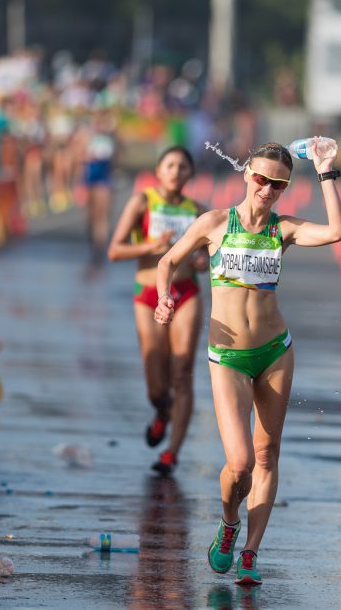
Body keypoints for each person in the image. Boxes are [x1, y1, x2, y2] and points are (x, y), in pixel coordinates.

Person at [155, 140, 341, 585]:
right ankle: (228, 524)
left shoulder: (285, 228)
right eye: (260, 178)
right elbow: (168, 261)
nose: (267, 189)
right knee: (238, 464)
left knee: (267, 454)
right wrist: (165, 297)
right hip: (228, 357)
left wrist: (325, 171)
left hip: (275, 351)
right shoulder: (215, 223)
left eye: (278, 184)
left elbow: (337, 231)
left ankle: (250, 552)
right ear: (246, 174)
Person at [108, 147, 205, 475]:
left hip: (185, 292)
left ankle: (172, 453)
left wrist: (203, 261)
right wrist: (151, 246)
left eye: (183, 166)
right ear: (159, 171)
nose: (176, 171)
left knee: (183, 371)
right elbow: (115, 250)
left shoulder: (199, 212)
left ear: (191, 174)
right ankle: (163, 412)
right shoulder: (142, 202)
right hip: (148, 292)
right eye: (170, 165)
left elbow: (210, 259)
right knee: (156, 382)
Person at [76, 107, 118, 262]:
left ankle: (99, 250)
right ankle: (93, 243)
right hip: (88, 179)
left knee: (102, 216)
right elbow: (78, 156)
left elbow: (117, 158)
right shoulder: (88, 137)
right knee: (89, 217)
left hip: (103, 180)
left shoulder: (111, 139)